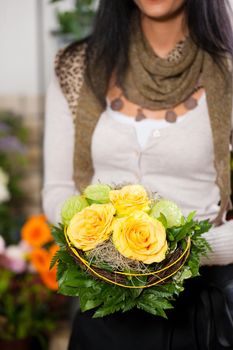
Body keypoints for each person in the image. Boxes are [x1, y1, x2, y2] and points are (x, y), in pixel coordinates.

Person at [42, 0, 233, 349]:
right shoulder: (78, 65)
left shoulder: (228, 70)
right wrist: (98, 246)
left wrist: (181, 254)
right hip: (101, 311)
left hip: (199, 315)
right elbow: (57, 189)